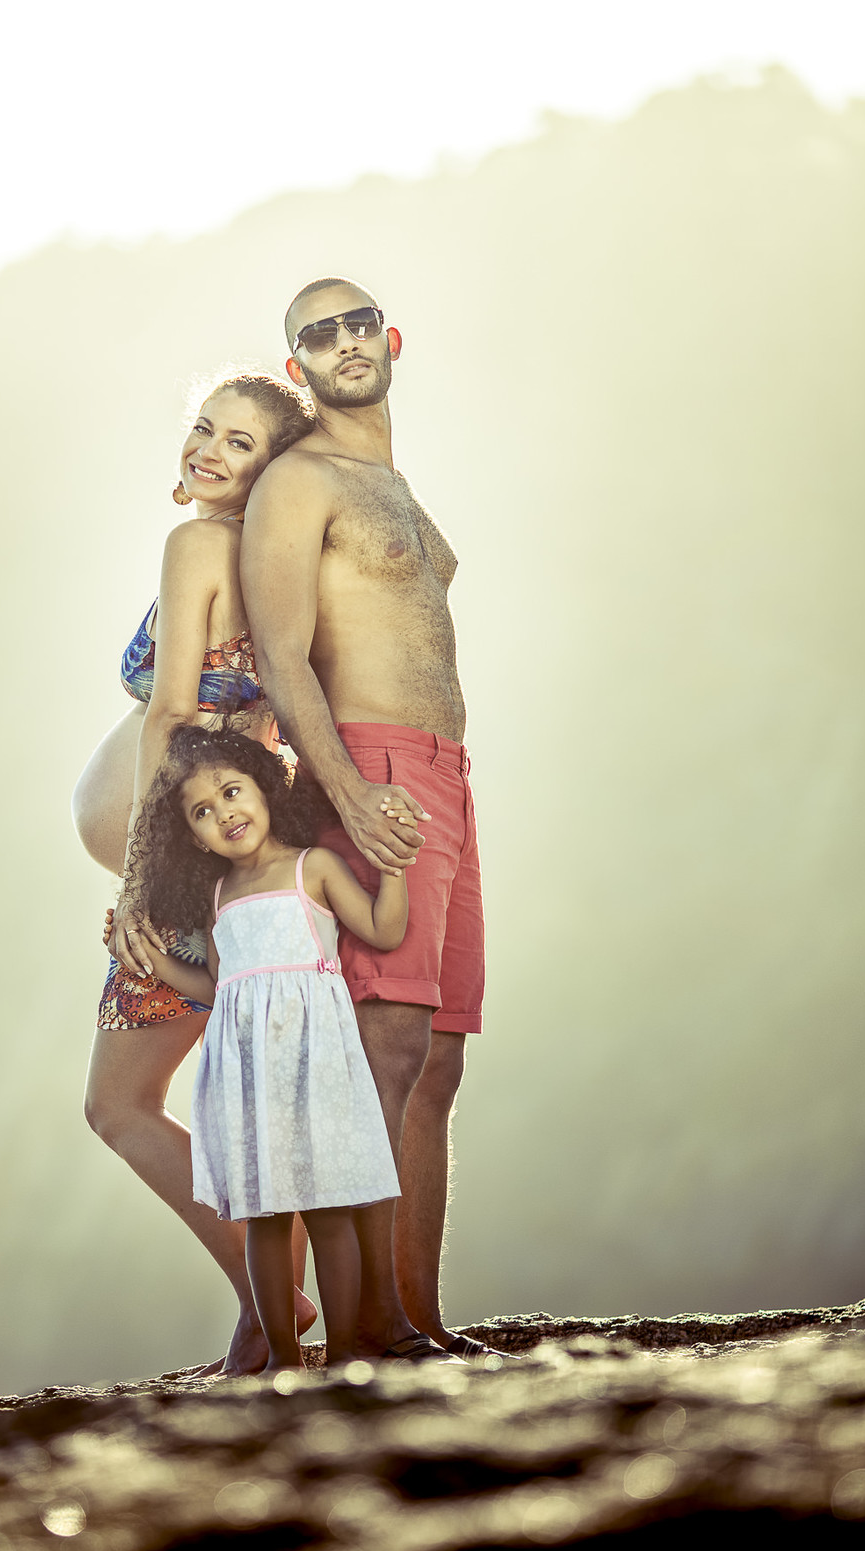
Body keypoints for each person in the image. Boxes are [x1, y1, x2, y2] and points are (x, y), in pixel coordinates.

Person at [240, 278, 493, 1362]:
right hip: (373, 768)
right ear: (297, 366)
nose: (343, 341)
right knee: (381, 1049)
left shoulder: (388, 481)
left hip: (447, 774)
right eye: (316, 333)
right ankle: (360, 1330)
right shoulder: (298, 481)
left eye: (357, 323)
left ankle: (417, 1320)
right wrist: (345, 790)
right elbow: (282, 651)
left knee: (436, 1057)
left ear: (389, 340)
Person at [71, 373, 316, 1375]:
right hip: (233, 861)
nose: (210, 451)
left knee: (119, 1106)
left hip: (176, 874)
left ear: (270, 470)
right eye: (204, 430)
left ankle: (278, 1310)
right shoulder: (279, 570)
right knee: (244, 1102)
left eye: (240, 443)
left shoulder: (197, 547)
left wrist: (136, 880)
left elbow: (170, 716)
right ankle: (267, 1318)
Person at [127, 727, 408, 1370]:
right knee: (264, 1216)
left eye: (232, 792)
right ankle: (284, 1358)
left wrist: (393, 869)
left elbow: (384, 931)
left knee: (330, 1209)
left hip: (316, 1065)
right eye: (202, 811)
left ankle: (342, 1354)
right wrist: (154, 962)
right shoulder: (219, 897)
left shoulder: (315, 867)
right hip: (245, 1074)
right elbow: (217, 984)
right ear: (192, 836)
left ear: (265, 789)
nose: (223, 812)